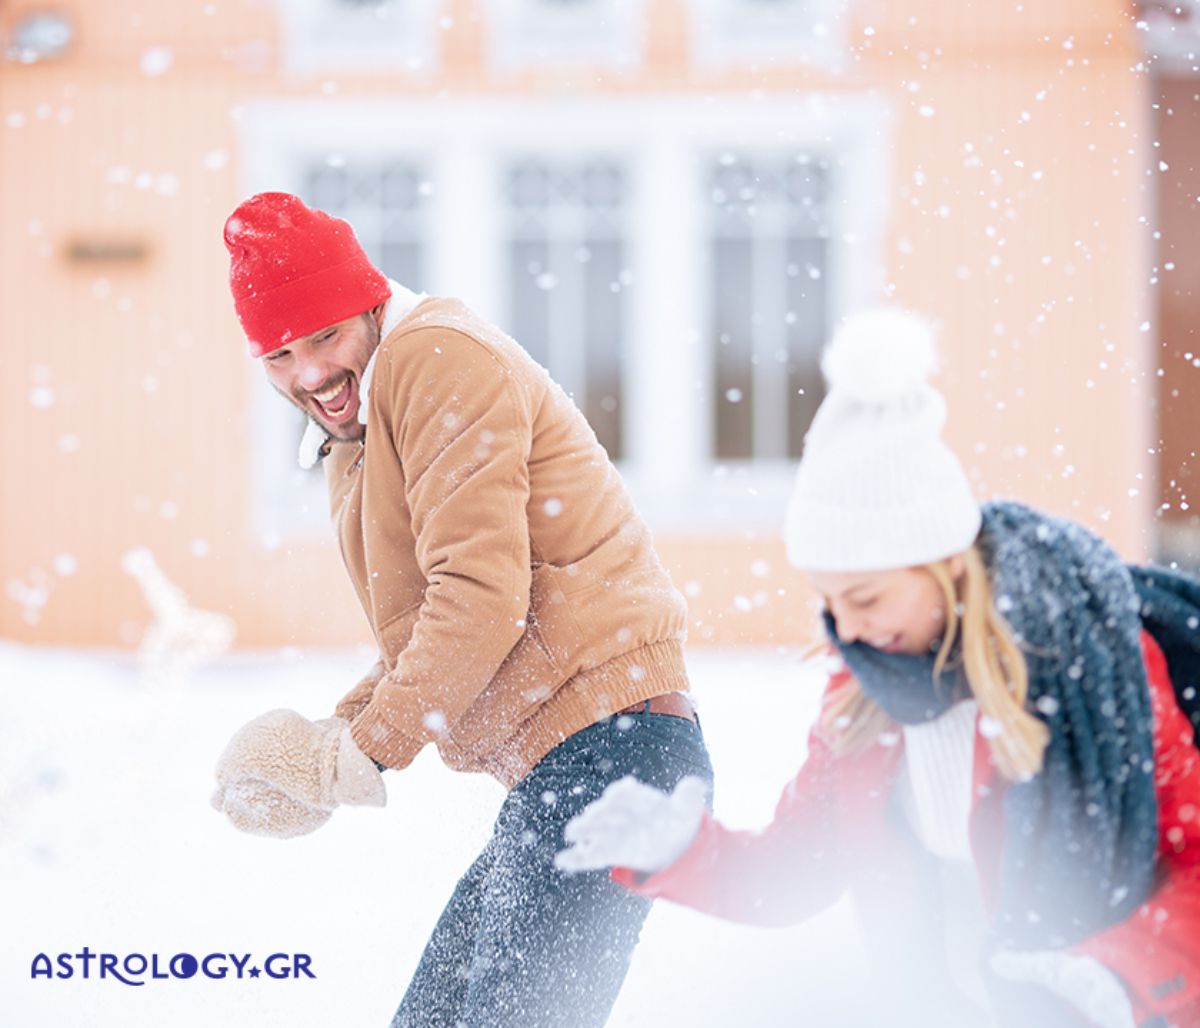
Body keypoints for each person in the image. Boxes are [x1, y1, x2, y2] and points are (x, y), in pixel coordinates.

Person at [557, 309, 1200, 1028]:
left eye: (864, 597)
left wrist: (1118, 972)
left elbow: (1194, 860)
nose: (847, 628)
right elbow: (798, 869)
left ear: (949, 567)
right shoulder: (864, 695)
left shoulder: (1092, 668)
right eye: (829, 601)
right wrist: (685, 851)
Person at [208, 191, 713, 1028]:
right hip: (572, 769)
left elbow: (481, 602)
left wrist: (359, 755)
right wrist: (330, 742)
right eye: (278, 354)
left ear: (369, 306)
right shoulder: (360, 430)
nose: (307, 376)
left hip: (614, 752)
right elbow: (434, 624)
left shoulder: (432, 356)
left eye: (325, 337)